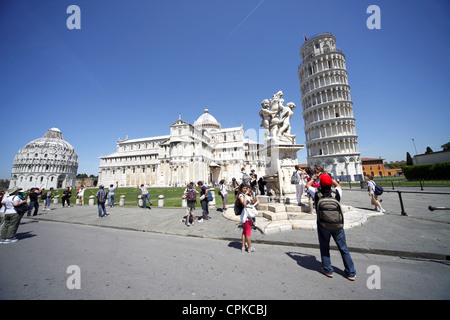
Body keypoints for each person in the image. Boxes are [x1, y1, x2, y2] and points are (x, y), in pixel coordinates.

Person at [313, 172, 356, 281]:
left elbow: (308, 185)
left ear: (320, 183)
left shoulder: (316, 193)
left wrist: (315, 178)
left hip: (323, 224)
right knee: (343, 248)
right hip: (337, 225)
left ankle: (328, 270)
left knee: (324, 247)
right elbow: (339, 186)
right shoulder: (337, 193)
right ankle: (350, 272)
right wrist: (329, 179)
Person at [237, 184, 256, 253]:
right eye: (244, 188)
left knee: (244, 232)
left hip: (248, 215)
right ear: (241, 189)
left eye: (246, 188)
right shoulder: (241, 195)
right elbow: (244, 203)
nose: (245, 189)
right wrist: (245, 195)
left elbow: (253, 201)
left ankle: (243, 246)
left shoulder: (247, 195)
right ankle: (250, 247)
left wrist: (252, 194)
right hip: (246, 216)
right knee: (248, 232)